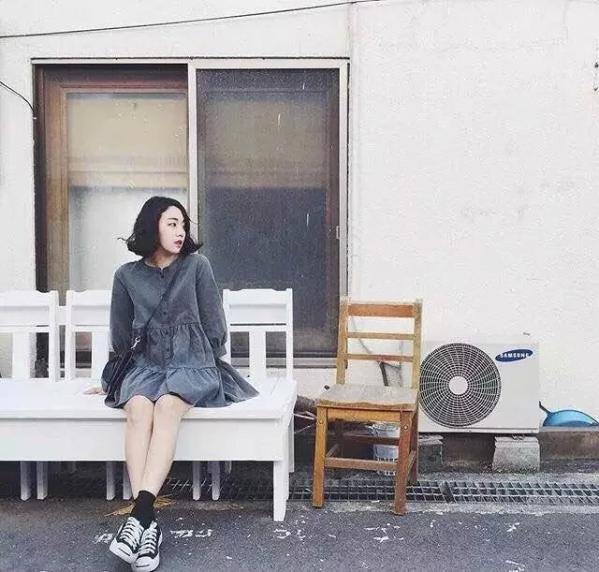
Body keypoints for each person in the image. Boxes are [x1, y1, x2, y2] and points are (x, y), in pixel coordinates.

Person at [86, 196, 258, 571]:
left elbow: (215, 327)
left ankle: (138, 516)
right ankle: (147, 526)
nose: (181, 232)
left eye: (183, 225)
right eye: (172, 224)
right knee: (137, 408)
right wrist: (111, 379)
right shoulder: (126, 276)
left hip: (192, 363)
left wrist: (207, 362)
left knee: (166, 406)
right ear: (152, 226)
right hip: (146, 366)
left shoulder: (197, 266)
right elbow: (120, 337)